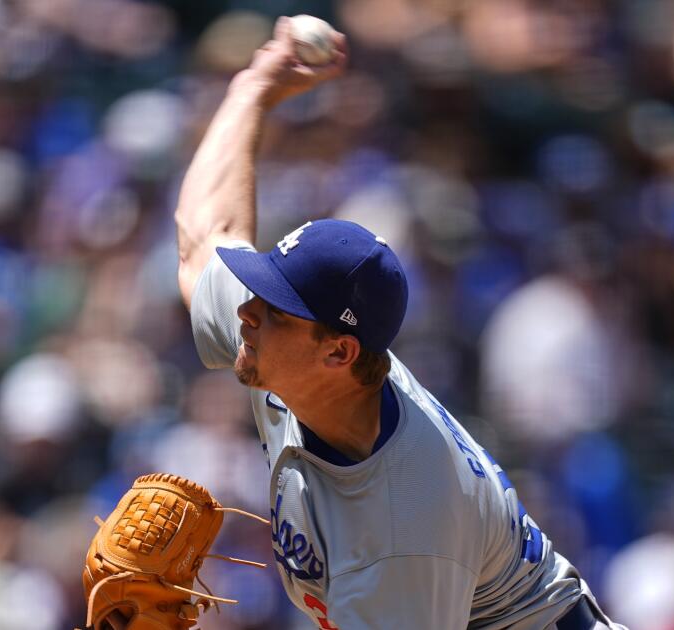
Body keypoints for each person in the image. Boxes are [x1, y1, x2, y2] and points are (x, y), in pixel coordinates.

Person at [175, 16, 621, 630]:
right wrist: (253, 90)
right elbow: (207, 235)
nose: (247, 313)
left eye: (274, 309)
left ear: (339, 353)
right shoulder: (297, 361)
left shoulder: (402, 523)